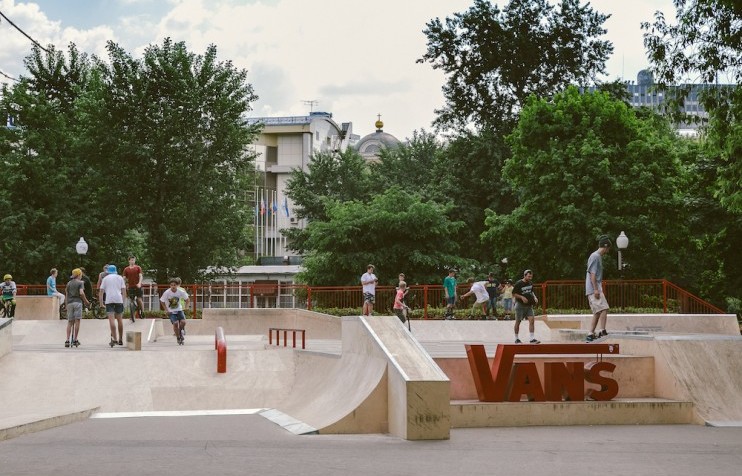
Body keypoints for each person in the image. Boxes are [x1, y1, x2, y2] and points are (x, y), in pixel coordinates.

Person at [586, 235, 612, 342]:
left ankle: (590, 334)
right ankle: (602, 330)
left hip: (592, 289)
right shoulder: (595, 256)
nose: (608, 250)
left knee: (597, 312)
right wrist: (596, 289)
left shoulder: (597, 256)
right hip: (593, 289)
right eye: (608, 248)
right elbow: (592, 274)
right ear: (605, 247)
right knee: (604, 308)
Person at [99, 264, 127, 346]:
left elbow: (101, 292)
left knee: (111, 320)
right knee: (120, 320)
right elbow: (124, 291)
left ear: (108, 271)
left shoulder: (105, 278)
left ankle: (115, 339)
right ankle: (121, 339)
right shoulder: (120, 278)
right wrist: (123, 301)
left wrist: (101, 303)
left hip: (109, 300)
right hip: (119, 299)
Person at [512, 269, 540, 344]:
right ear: (524, 276)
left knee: (532, 320)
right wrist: (521, 297)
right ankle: (516, 338)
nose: (530, 278)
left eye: (531, 276)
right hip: (520, 305)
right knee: (518, 321)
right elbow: (514, 294)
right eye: (528, 276)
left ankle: (532, 338)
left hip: (529, 305)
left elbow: (531, 291)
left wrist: (535, 297)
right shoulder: (519, 283)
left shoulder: (530, 283)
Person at [160, 278, 190, 345]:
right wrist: (166, 309)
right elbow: (162, 301)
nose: (173, 286)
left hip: (179, 309)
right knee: (175, 323)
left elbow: (187, 299)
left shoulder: (180, 291)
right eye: (171, 285)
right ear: (170, 286)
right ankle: (178, 337)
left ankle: (179, 331)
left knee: (183, 322)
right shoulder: (167, 292)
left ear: (177, 285)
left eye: (174, 285)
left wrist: (187, 307)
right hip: (171, 311)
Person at [65, 268, 90, 347]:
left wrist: (66, 305)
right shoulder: (80, 283)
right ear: (79, 275)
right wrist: (86, 301)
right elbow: (81, 293)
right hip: (77, 302)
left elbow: (66, 295)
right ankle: (75, 339)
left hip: (69, 303)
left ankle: (67, 340)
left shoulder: (68, 283)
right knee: (77, 321)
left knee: (70, 322)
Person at [123, 255, 144, 320]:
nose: (132, 261)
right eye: (131, 260)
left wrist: (139, 283)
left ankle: (142, 312)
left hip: (137, 286)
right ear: (129, 261)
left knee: (139, 299)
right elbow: (124, 278)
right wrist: (122, 284)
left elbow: (141, 276)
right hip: (130, 287)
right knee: (131, 301)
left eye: (133, 260)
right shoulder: (126, 269)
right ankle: (132, 315)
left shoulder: (138, 267)